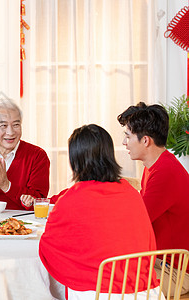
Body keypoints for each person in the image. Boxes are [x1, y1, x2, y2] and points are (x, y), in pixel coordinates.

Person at [39, 124, 159, 299]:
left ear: (76, 160)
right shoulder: (132, 194)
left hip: (99, 293)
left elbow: (49, 248)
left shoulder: (70, 200)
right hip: (146, 292)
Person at [118, 102, 189, 295]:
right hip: (159, 260)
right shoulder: (155, 166)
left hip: (176, 272)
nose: (124, 142)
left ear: (146, 140)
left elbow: (136, 221)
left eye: (127, 136)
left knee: (110, 283)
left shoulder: (165, 173)